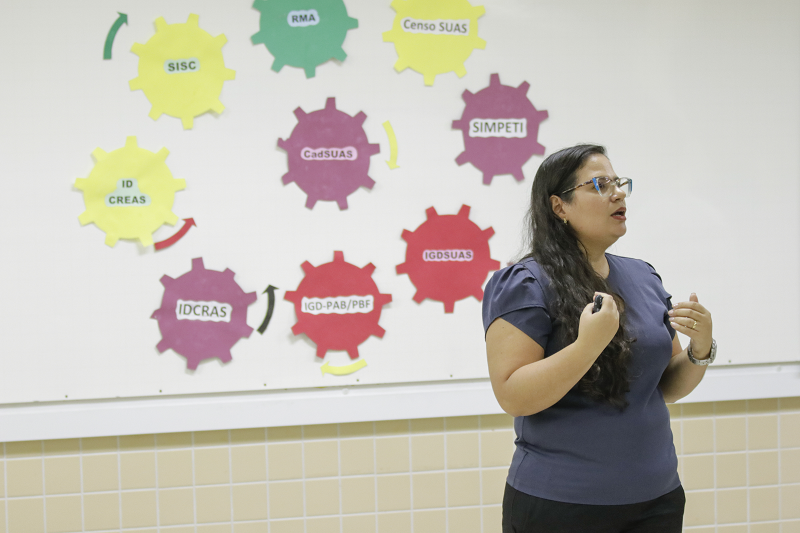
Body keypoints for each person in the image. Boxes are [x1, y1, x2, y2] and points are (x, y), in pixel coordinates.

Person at [482, 144, 716, 533]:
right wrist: (587, 347)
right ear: (559, 206)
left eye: (619, 183)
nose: (618, 193)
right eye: (600, 184)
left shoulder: (643, 276)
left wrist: (700, 348)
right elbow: (513, 395)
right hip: (563, 505)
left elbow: (666, 388)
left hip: (657, 499)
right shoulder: (525, 282)